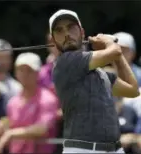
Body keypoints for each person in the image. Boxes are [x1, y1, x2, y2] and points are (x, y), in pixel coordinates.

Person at [50, 9, 140, 153]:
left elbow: (133, 90)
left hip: (115, 149)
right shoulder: (64, 63)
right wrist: (109, 43)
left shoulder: (100, 73)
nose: (66, 34)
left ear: (82, 32)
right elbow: (114, 51)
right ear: (54, 40)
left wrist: (116, 55)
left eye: (71, 27)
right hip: (82, 150)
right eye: (59, 30)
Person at [0, 52, 59, 154]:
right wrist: (2, 125)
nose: (25, 74)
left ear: (38, 73)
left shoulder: (48, 99)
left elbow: (42, 129)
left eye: (29, 70)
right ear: (16, 73)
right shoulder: (13, 101)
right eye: (21, 70)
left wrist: (11, 134)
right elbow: (11, 122)